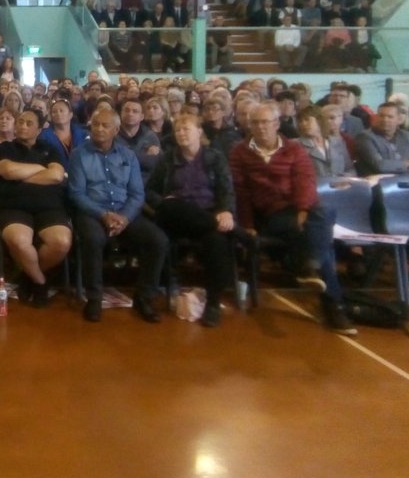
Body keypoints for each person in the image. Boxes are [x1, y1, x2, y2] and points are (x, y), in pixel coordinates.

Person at [229, 103, 355, 335]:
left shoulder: (294, 150)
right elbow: (241, 192)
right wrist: (247, 224)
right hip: (268, 216)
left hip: (297, 211)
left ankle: (313, 269)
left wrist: (303, 211)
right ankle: (329, 299)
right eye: (255, 123)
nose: (260, 127)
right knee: (323, 233)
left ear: (277, 124)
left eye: (265, 122)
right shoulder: (240, 151)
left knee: (324, 213)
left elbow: (305, 182)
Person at [68, 106, 168, 323]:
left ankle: (144, 298)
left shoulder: (128, 155)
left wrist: (124, 217)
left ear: (116, 130)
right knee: (93, 239)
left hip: (124, 212)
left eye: (105, 125)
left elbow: (137, 193)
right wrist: (104, 214)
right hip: (93, 211)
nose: (99, 129)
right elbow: (77, 194)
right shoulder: (79, 154)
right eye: (95, 124)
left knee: (158, 241)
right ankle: (94, 298)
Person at [145, 113, 236, 328]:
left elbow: (226, 189)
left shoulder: (214, 157)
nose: (181, 133)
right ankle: (229, 229)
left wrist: (226, 212)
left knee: (218, 242)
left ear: (199, 132)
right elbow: (149, 191)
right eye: (178, 130)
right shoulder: (167, 159)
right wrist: (162, 202)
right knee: (172, 205)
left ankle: (212, 303)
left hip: (207, 215)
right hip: (176, 217)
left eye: (186, 129)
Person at [0, 109, 72, 307]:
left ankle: (28, 276)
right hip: (13, 205)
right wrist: (41, 169)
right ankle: (40, 282)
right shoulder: (5, 148)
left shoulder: (51, 149)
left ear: (39, 128)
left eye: (29, 123)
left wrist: (23, 175)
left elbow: (56, 176)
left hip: (49, 206)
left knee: (61, 242)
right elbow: (8, 171)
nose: (22, 126)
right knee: (20, 242)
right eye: (20, 122)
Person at [354, 102, 409, 177]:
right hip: (378, 184)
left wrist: (396, 172)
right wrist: (405, 164)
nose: (385, 120)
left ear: (398, 119)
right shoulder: (365, 137)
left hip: (408, 181)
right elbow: (380, 166)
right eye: (381, 116)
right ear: (376, 117)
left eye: (390, 117)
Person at [297, 106, 354, 178]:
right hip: (314, 187)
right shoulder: (296, 145)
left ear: (319, 120)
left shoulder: (337, 141)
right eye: (300, 121)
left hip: (340, 186)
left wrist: (344, 179)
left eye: (307, 120)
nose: (303, 124)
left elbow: (350, 169)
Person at [37, 98, 86, 170]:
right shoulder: (43, 137)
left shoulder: (83, 134)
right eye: (54, 112)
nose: (58, 113)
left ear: (70, 114)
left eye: (61, 111)